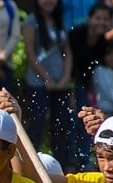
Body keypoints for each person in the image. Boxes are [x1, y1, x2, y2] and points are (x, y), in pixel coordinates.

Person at [21, 0, 75, 172]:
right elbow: (30, 53)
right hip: (38, 82)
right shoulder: (31, 21)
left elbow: (67, 52)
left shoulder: (61, 20)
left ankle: (63, 165)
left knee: (62, 125)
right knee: (37, 122)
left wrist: (66, 77)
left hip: (60, 82)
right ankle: (29, 165)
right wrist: (46, 78)